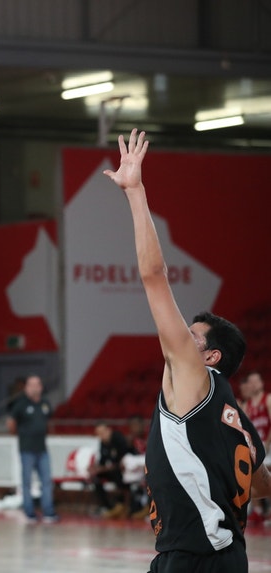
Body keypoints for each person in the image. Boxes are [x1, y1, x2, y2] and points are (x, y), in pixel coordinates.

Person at [103, 128, 271, 572]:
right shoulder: (237, 420)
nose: (178, 337)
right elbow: (260, 484)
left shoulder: (196, 379)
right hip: (221, 555)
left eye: (191, 335)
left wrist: (135, 192)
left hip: (197, 559)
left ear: (211, 358)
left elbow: (153, 276)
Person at [6, 374, 59, 524]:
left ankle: (48, 512)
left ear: (41, 387)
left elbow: (48, 422)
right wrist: (21, 435)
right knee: (27, 481)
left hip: (42, 448)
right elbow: (11, 423)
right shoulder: (21, 404)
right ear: (26, 388)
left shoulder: (45, 404)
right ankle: (29, 512)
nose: (34, 388)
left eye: (37, 385)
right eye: (31, 385)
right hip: (27, 449)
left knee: (46, 481)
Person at [238, 370, 271, 525]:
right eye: (252, 382)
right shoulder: (247, 405)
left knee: (267, 474)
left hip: (268, 444)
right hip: (256, 446)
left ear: (262, 383)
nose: (254, 384)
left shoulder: (268, 399)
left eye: (257, 381)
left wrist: (267, 443)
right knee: (249, 473)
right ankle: (258, 511)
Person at [90, 423, 133, 519]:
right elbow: (103, 460)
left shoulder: (118, 439)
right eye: (98, 434)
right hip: (112, 469)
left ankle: (122, 504)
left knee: (118, 475)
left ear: (108, 430)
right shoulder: (103, 443)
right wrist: (95, 468)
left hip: (125, 469)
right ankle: (107, 506)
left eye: (102, 432)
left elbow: (123, 460)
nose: (101, 436)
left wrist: (105, 468)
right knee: (95, 477)